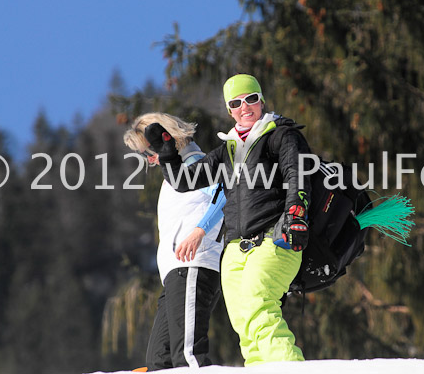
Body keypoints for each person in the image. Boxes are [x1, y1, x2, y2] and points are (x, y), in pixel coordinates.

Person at [144, 74, 312, 366]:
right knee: (244, 322)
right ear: (229, 109)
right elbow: (184, 181)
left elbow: (298, 174)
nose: (245, 107)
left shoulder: (280, 135)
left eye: (251, 99)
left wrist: (297, 213)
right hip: (235, 249)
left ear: (261, 100)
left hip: (275, 236)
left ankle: (289, 367)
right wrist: (168, 153)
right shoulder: (229, 150)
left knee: (259, 304)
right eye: (236, 102)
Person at [123, 112, 226, 370]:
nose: (149, 160)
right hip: (175, 274)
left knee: (188, 356)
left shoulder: (196, 164)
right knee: (160, 361)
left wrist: (200, 230)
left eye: (150, 151)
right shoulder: (176, 175)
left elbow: (226, 193)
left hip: (194, 265)